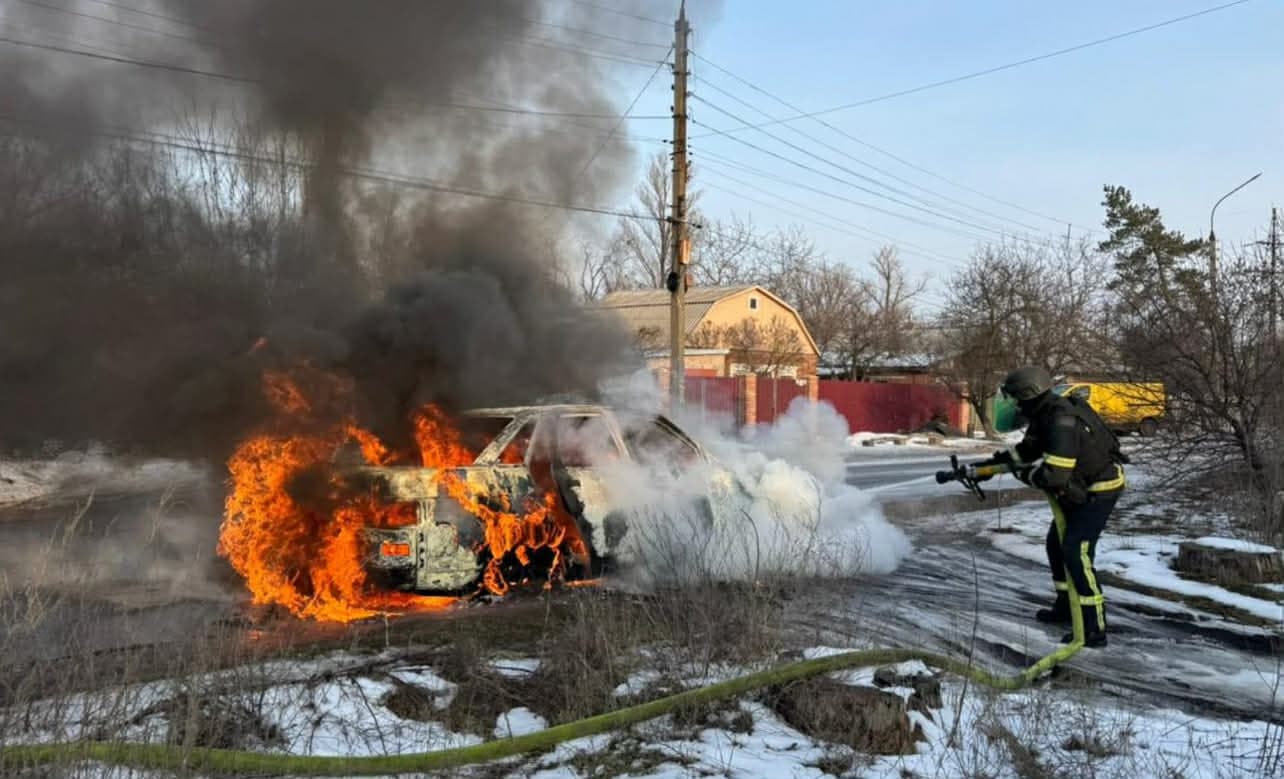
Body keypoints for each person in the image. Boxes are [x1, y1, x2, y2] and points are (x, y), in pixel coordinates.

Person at [970, 366, 1128, 647]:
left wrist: (1022, 474)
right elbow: (1027, 452)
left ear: (1028, 396)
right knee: (1056, 546)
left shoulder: (1060, 421)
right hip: (1077, 489)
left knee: (1076, 551)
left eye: (1017, 399)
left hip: (1098, 490)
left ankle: (1094, 626)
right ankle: (1066, 608)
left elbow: (1053, 476)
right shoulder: (1045, 414)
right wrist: (986, 467)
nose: (1015, 405)